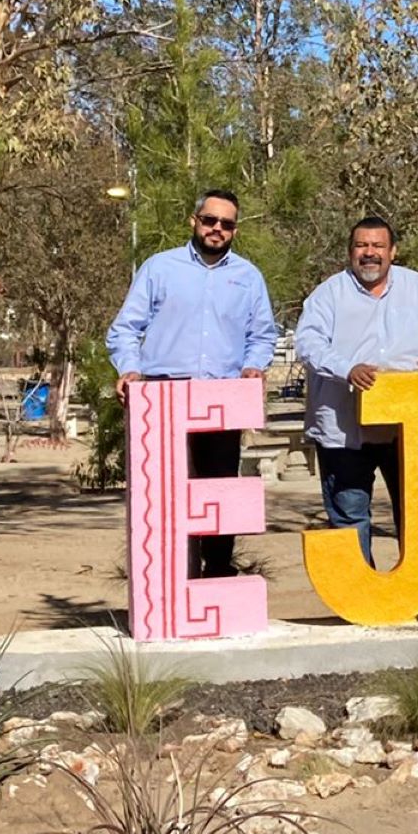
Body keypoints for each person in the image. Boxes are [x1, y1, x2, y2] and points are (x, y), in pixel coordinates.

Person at [106, 189, 278, 579]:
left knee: (218, 493)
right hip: (162, 400)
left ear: (235, 229)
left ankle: (217, 575)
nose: (217, 229)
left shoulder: (248, 277)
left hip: (222, 402)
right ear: (194, 221)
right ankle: (168, 580)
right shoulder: (158, 268)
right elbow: (124, 330)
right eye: (209, 220)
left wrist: (253, 367)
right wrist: (130, 369)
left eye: (227, 224)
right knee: (164, 494)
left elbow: (263, 335)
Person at [294, 216, 418, 615]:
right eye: (361, 246)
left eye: (377, 246)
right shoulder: (328, 294)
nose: (369, 253)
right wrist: (348, 366)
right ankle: (364, 599)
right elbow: (308, 342)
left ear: (392, 251)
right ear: (350, 251)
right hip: (344, 427)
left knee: (417, 512)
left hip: (409, 429)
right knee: (351, 513)